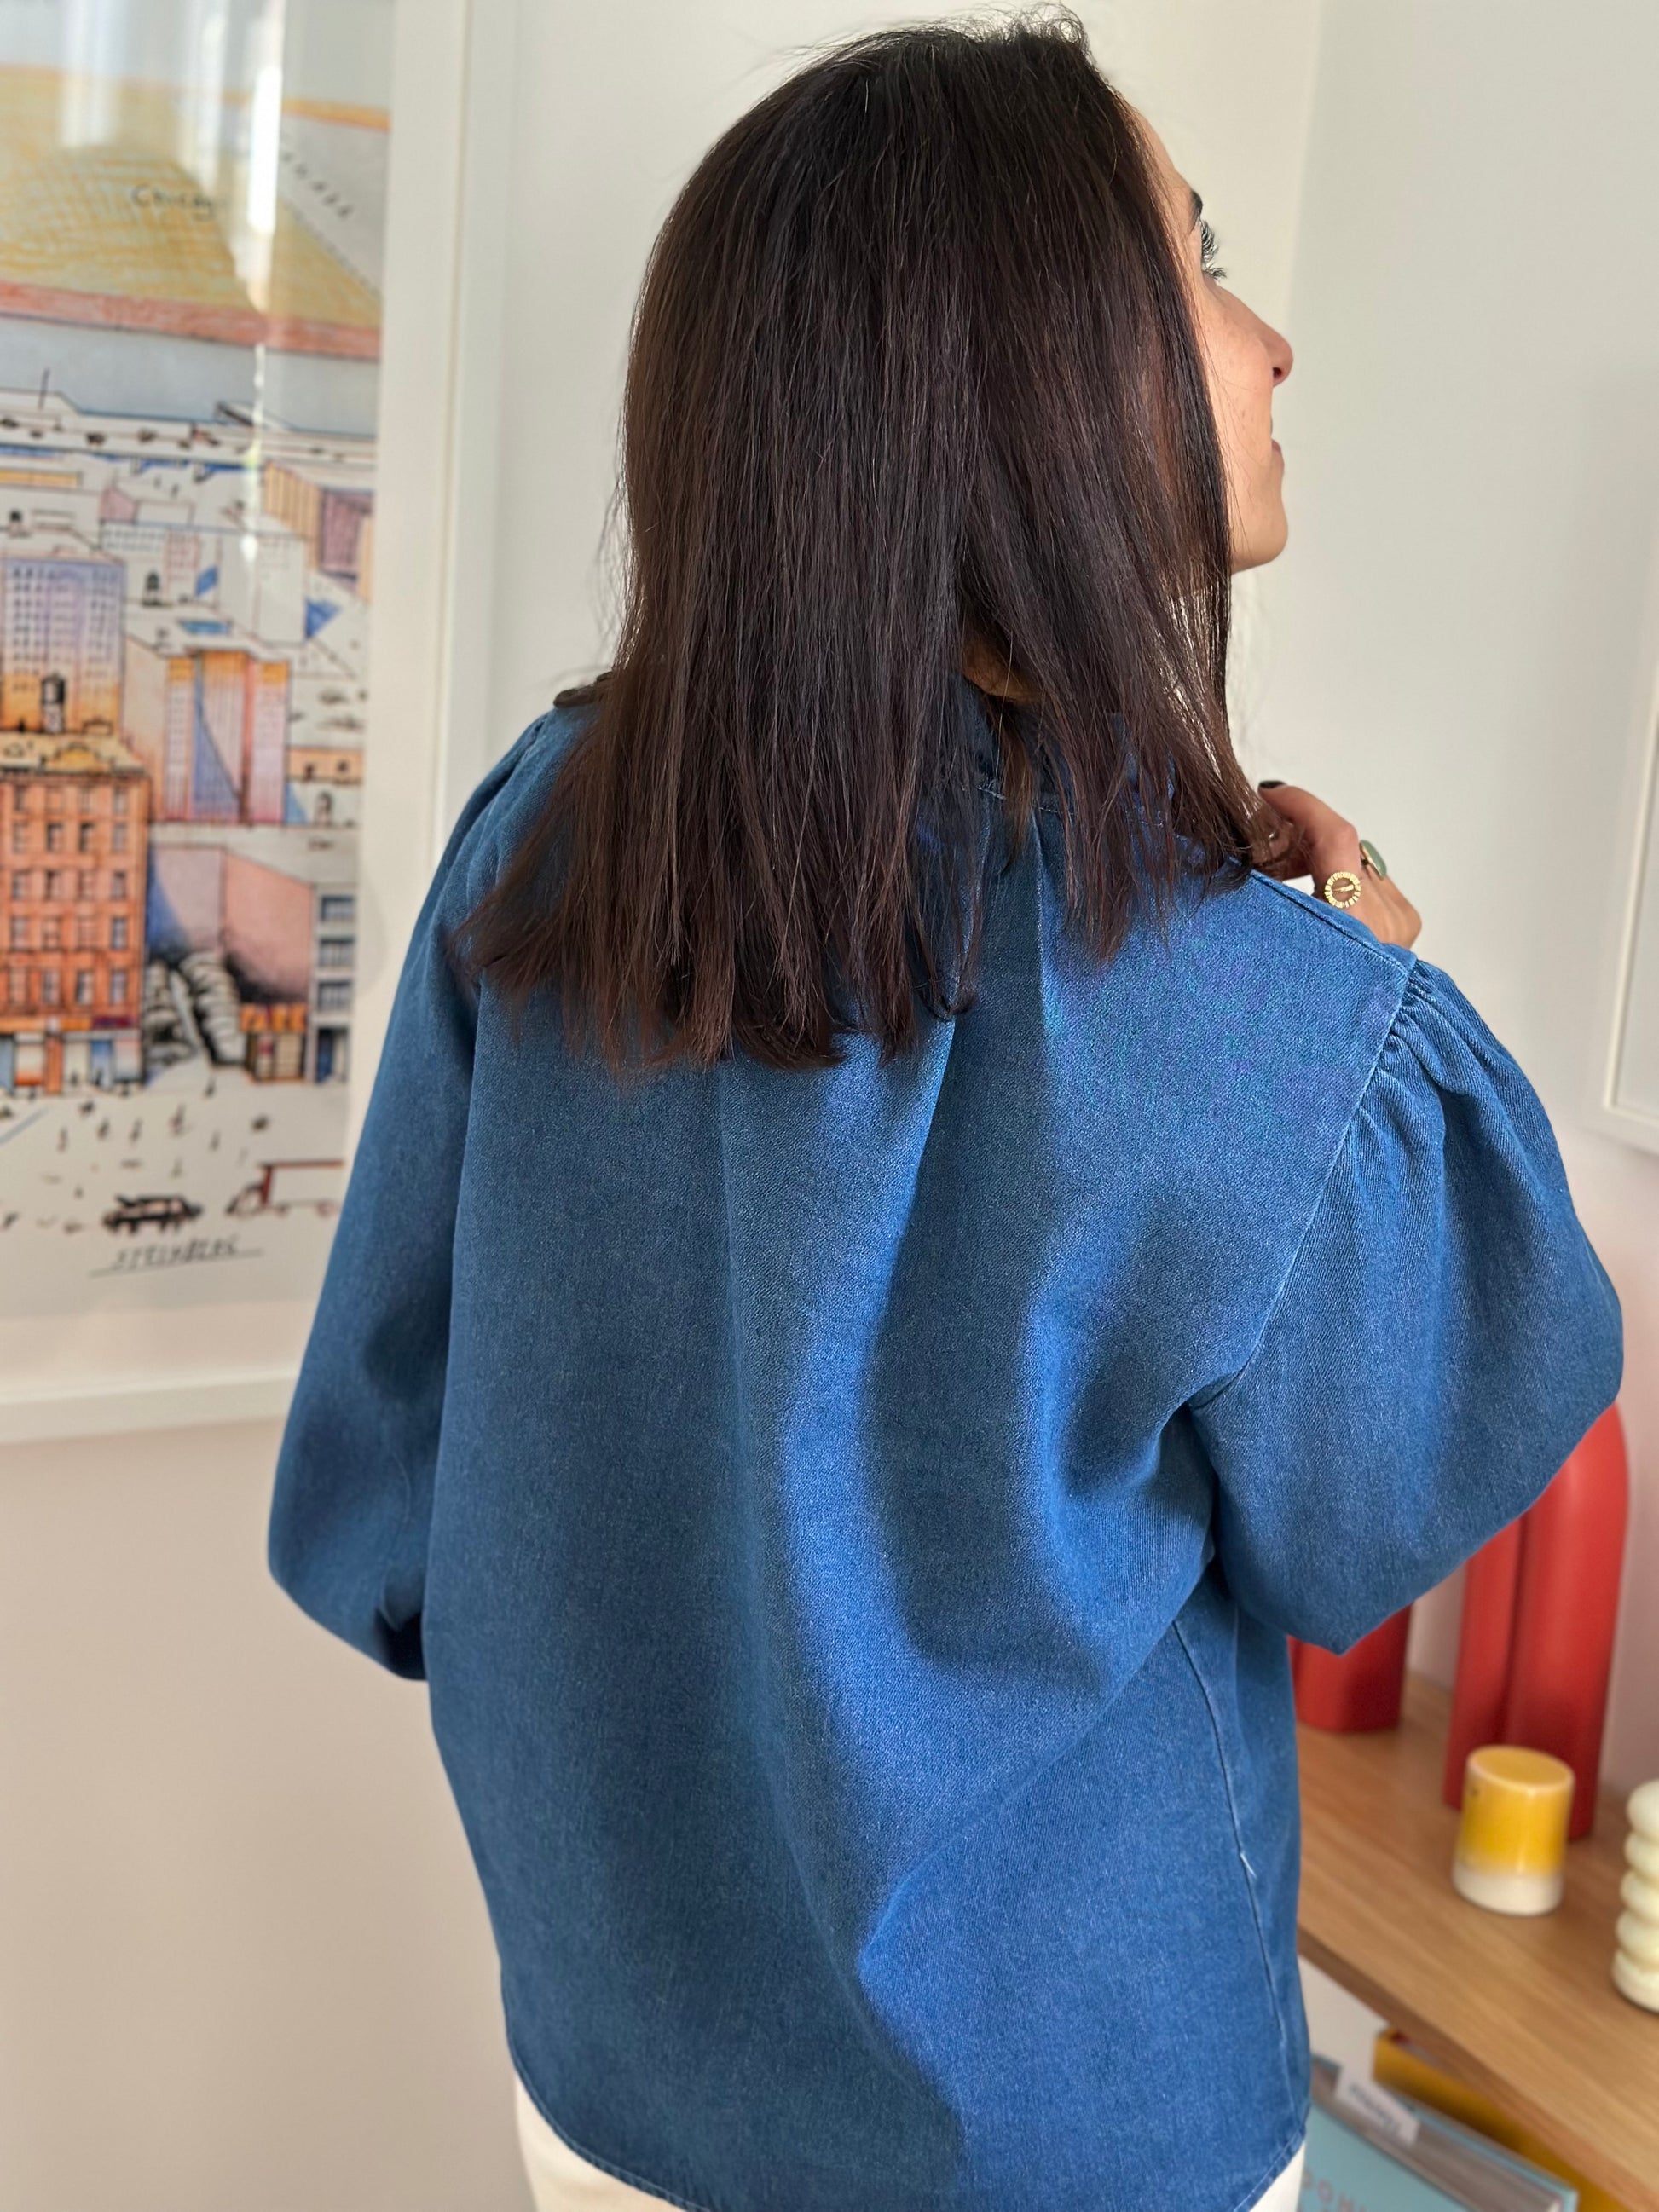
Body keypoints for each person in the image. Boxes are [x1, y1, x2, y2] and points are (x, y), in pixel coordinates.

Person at [269, 16, 1621, 2212]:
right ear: (1028, 369)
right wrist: (1370, 965)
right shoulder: (1243, 1002)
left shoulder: (556, 838)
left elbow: (389, 1502)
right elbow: (1386, 1515)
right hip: (1071, 2144)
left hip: (612, 2089)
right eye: (1201, 266)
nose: (1273, 342)